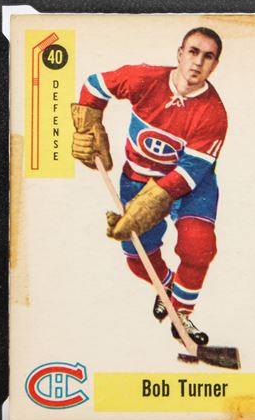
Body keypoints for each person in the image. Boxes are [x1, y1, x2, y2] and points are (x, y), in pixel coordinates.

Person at [71, 27, 227, 346]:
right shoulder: (145, 79)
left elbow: (189, 172)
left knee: (198, 246)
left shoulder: (214, 114)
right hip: (138, 177)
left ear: (215, 65)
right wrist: (89, 127)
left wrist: (146, 207)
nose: (198, 62)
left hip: (191, 185)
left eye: (208, 56)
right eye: (193, 52)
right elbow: (95, 85)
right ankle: (167, 286)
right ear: (180, 54)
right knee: (137, 258)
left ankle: (181, 314)